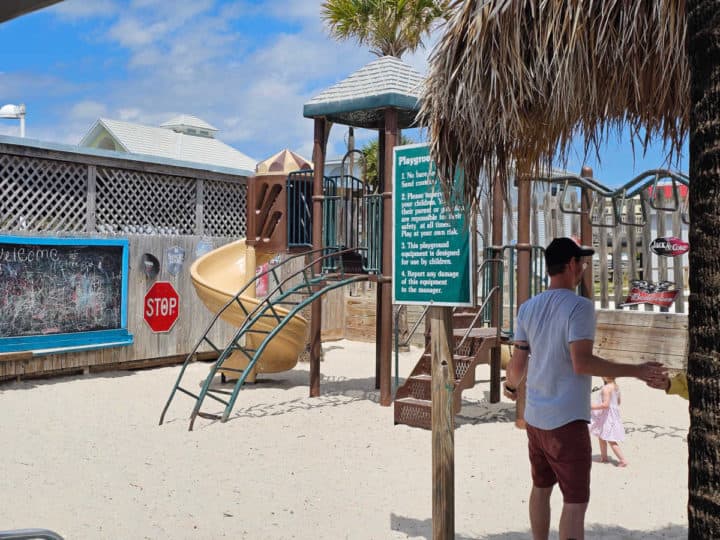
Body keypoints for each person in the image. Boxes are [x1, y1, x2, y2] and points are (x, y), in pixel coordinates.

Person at [504, 237, 666, 540]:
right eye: (581, 262)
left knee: (540, 489)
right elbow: (583, 363)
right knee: (575, 502)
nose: (584, 267)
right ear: (570, 265)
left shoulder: (527, 308)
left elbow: (517, 363)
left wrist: (511, 388)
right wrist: (637, 371)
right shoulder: (579, 307)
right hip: (566, 421)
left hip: (535, 419)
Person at [589, 377, 627, 467]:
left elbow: (605, 405)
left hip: (607, 417)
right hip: (612, 416)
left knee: (610, 439)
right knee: (601, 436)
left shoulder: (606, 388)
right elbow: (618, 402)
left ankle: (623, 460)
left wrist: (591, 407)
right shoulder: (616, 387)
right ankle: (604, 457)